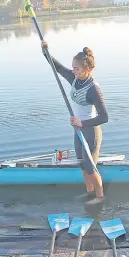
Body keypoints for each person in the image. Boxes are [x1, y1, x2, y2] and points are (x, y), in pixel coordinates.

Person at [41, 41, 108, 205]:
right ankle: (89, 192)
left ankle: (100, 197)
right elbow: (57, 67)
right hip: (78, 130)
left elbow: (104, 117)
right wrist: (45, 51)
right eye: (73, 68)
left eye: (76, 68)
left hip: (90, 131)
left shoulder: (94, 89)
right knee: (82, 165)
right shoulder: (75, 78)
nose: (73, 71)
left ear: (88, 69)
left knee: (90, 167)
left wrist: (82, 122)